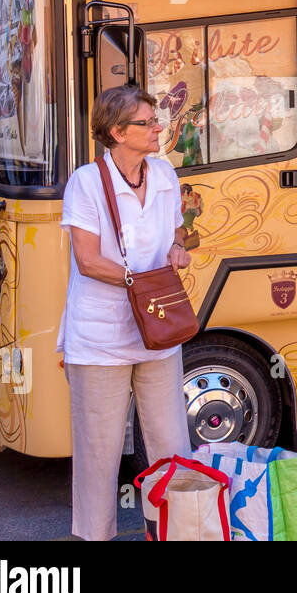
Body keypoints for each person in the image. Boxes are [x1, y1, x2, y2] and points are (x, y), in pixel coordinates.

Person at [59, 85, 193, 540]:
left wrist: (177, 250)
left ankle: (173, 530)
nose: (158, 128)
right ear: (117, 132)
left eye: (156, 121)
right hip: (100, 338)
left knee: (171, 444)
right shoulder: (86, 181)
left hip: (157, 330)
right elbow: (88, 260)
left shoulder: (163, 174)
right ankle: (94, 536)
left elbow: (178, 230)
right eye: (147, 123)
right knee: (99, 453)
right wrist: (141, 282)